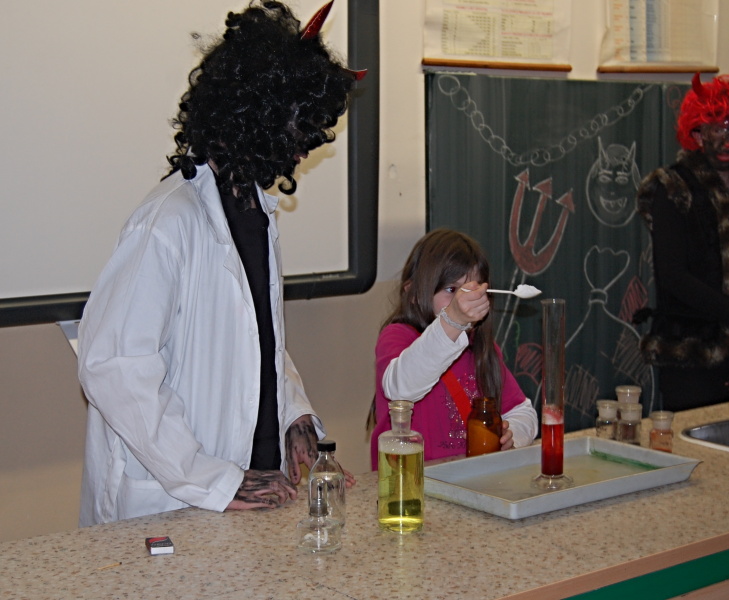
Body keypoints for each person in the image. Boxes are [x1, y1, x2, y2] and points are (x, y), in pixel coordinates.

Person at [77, 1, 363, 526]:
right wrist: (210, 478)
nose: (306, 148)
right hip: (174, 503)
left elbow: (257, 340)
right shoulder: (167, 222)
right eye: (300, 127)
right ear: (257, 114)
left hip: (248, 490)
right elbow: (113, 368)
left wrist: (294, 412)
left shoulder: (254, 211)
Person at [635, 74, 729, 412]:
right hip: (691, 358)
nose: (728, 140)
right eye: (718, 129)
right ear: (698, 134)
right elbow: (673, 276)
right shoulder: (673, 187)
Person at [369, 228, 538, 468]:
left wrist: (512, 436)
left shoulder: (480, 348)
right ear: (413, 293)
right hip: (410, 482)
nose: (462, 300)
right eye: (451, 290)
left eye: (472, 290)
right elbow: (401, 389)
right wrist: (453, 321)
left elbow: (522, 411)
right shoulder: (398, 336)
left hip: (473, 479)